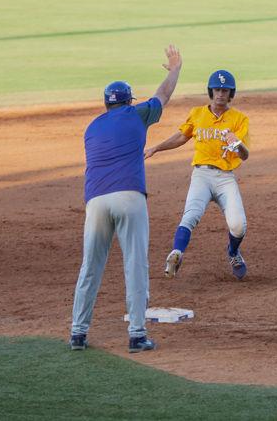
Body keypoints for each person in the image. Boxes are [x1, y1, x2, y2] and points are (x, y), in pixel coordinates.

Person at [69, 45, 182, 353]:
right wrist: (175, 69)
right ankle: (136, 334)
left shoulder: (91, 128)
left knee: (89, 267)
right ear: (128, 102)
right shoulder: (137, 114)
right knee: (135, 265)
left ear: (106, 105)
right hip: (129, 196)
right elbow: (163, 96)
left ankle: (78, 333)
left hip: (96, 202)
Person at [144, 69, 250, 281]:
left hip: (225, 178)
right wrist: (156, 148)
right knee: (190, 214)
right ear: (211, 91)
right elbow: (182, 136)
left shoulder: (239, 119)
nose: (220, 94)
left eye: (225, 90)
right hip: (201, 175)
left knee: (238, 226)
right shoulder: (197, 113)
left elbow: (244, 155)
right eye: (217, 89)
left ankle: (233, 252)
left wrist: (236, 143)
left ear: (231, 94)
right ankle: (176, 253)